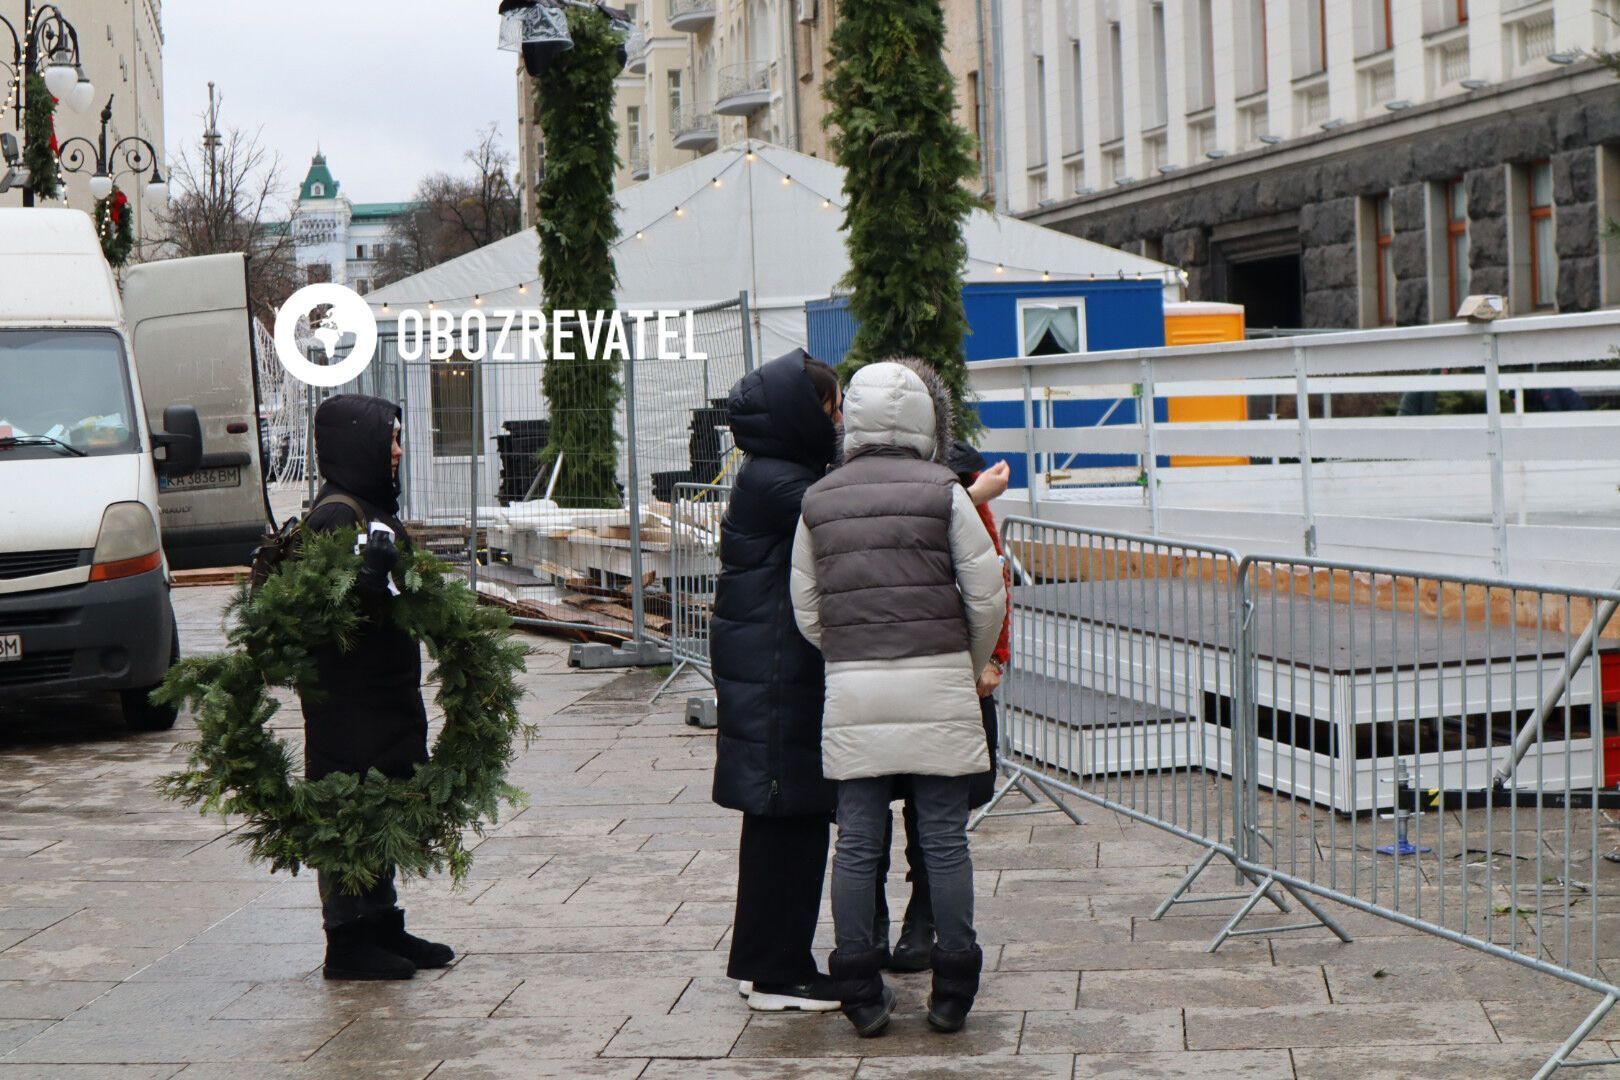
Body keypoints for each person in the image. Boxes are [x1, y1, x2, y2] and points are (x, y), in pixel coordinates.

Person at [791, 359, 1008, 1037]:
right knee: (944, 839)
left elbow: (806, 606)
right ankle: (952, 990)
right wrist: (964, 663)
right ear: (925, 417)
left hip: (855, 683)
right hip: (940, 679)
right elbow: (987, 594)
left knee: (857, 842)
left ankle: (859, 987)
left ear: (852, 417)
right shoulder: (946, 491)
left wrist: (847, 649)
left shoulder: (820, 499)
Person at [301, 393, 455, 981]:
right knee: (348, 804)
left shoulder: (373, 507)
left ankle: (382, 922)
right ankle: (347, 939)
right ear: (354, 444)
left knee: (384, 799)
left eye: (396, 438)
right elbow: (322, 612)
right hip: (347, 701)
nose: (396, 451)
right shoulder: (337, 514)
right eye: (387, 439)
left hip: (385, 693)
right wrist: (366, 580)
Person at [710, 350, 844, 1012]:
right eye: (832, 407)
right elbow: (849, 517)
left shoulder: (775, 472)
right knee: (790, 815)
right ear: (804, 413)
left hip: (772, 669)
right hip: (776, 673)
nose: (840, 420)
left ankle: (762, 958)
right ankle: (776, 971)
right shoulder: (780, 482)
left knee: (780, 818)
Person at [873, 441, 1012, 973]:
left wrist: (993, 659)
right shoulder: (875, 480)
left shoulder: (965, 486)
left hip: (955, 672)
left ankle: (923, 917)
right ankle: (873, 923)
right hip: (885, 669)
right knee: (875, 800)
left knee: (938, 807)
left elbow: (993, 581)